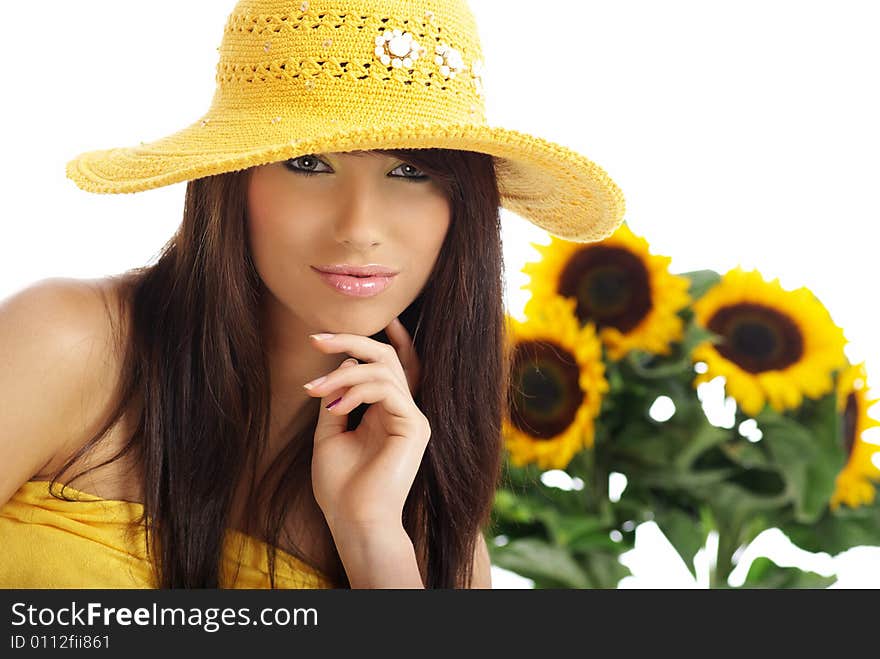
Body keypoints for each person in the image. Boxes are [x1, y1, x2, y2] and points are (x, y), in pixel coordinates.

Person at [0, 0, 625, 589]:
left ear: (462, 208)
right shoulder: (69, 345)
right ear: (231, 179)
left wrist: (372, 535)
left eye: (410, 171)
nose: (358, 228)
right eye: (308, 163)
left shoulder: (435, 543)